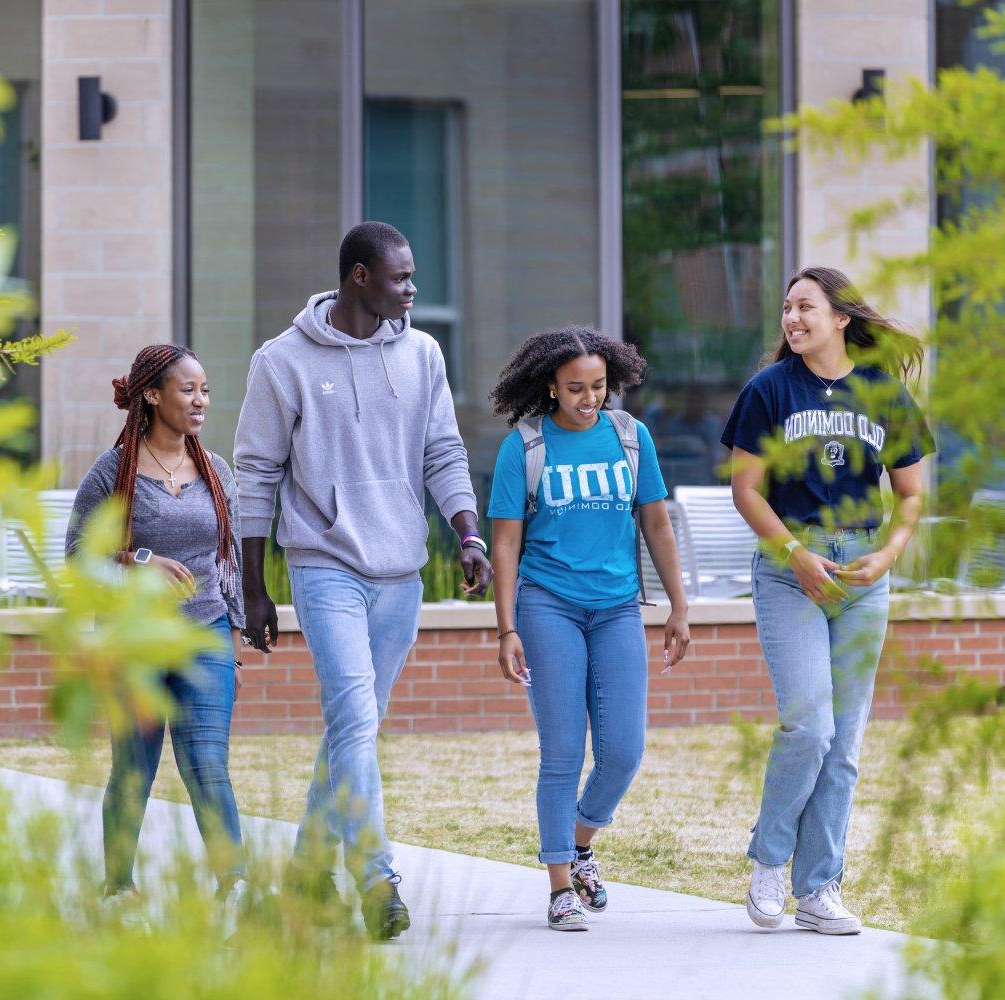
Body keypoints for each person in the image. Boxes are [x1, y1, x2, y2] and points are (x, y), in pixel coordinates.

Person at [233, 221, 491, 940]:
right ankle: (376, 879)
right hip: (324, 566)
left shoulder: (422, 355)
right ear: (358, 276)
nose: (413, 290)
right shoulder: (280, 362)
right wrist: (255, 587)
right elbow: (256, 475)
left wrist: (466, 532)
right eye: (401, 278)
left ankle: (308, 870)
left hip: (400, 571)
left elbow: (443, 450)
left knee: (356, 728)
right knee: (354, 720)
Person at [722, 266, 933, 935]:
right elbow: (746, 491)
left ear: (841, 317)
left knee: (844, 742)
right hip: (791, 571)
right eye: (786, 307)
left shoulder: (883, 393)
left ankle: (819, 890)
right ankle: (769, 860)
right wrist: (796, 556)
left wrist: (888, 554)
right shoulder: (768, 391)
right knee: (807, 725)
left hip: (863, 575)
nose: (792, 317)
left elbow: (911, 495)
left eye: (805, 306)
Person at [486, 327, 692, 932]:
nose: (589, 398)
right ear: (550, 384)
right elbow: (505, 542)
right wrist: (506, 629)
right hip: (547, 605)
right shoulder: (523, 446)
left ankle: (579, 844)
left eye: (599, 386)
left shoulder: (630, 438)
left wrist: (679, 606)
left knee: (624, 751)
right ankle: (558, 887)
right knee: (562, 751)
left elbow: (656, 523)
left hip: (618, 608)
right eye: (575, 388)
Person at [65, 343, 248, 909]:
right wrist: (138, 562)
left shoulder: (215, 471)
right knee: (134, 767)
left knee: (207, 762)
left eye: (205, 390)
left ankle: (233, 883)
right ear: (151, 395)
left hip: (204, 635)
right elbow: (77, 554)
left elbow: (231, 559)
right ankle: (118, 885)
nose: (201, 401)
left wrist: (234, 640)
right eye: (188, 390)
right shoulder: (112, 472)